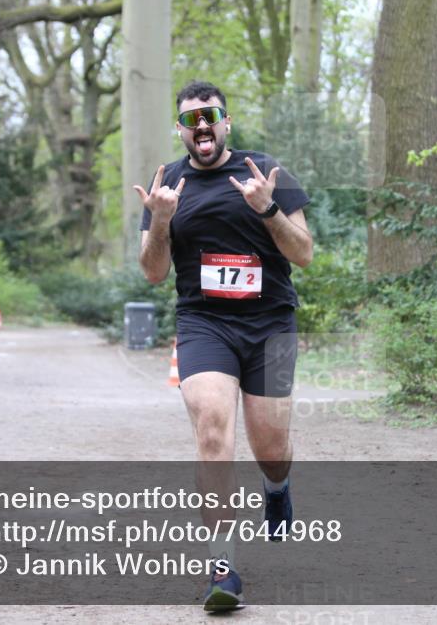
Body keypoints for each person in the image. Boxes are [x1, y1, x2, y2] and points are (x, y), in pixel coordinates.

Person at [134, 81, 312, 611]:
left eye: (210, 115)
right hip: (204, 324)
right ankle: (222, 567)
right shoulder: (167, 184)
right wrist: (160, 222)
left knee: (271, 448)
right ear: (182, 131)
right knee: (213, 428)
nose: (201, 125)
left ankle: (276, 489)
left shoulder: (266, 173)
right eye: (190, 119)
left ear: (226, 123)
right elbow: (152, 273)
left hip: (271, 325)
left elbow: (303, 254)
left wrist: (267, 209)